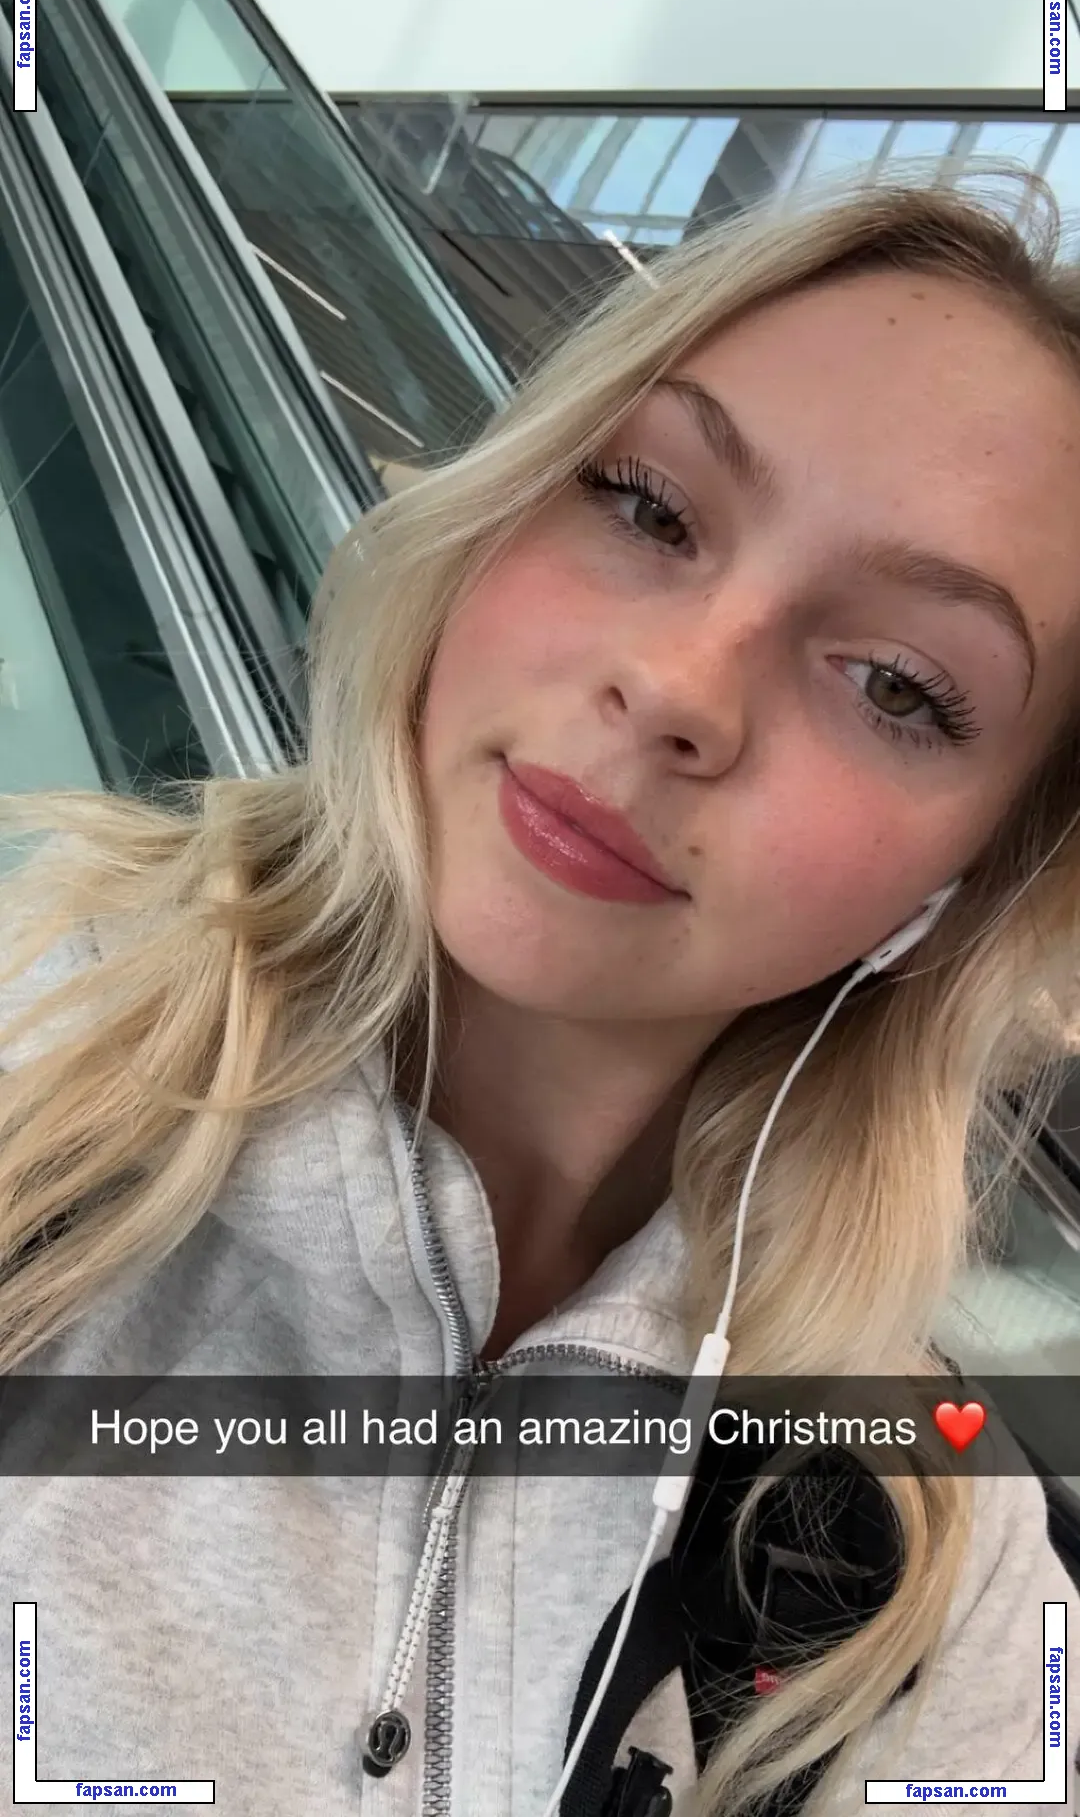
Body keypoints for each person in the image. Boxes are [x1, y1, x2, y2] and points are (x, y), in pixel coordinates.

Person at [0, 160, 1079, 1817]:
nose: (679, 685)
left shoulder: (922, 1555)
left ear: (972, 878)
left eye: (894, 684)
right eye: (647, 506)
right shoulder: (31, 1068)